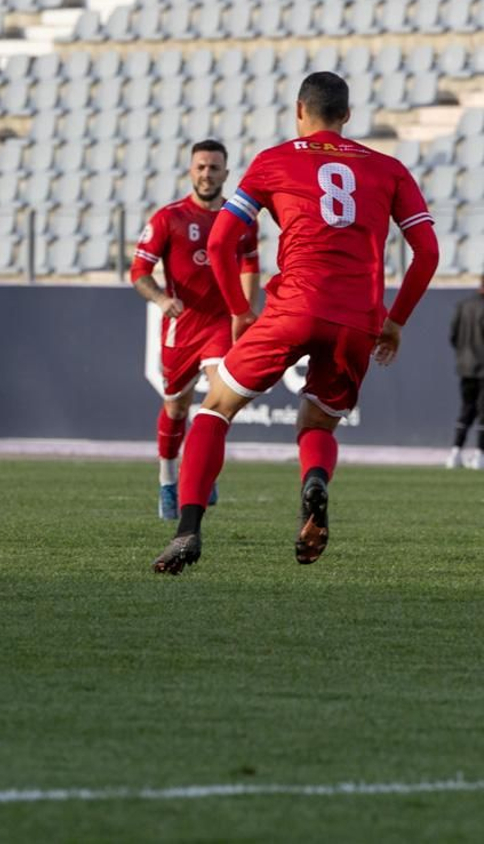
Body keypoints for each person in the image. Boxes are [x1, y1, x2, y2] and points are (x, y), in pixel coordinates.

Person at [152, 73, 438, 574]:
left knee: (214, 411)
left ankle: (188, 531)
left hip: (293, 308)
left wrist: (240, 311)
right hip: (357, 319)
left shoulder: (273, 160)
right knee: (318, 423)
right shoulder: (389, 169)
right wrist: (395, 321)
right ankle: (314, 483)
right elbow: (427, 253)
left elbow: (220, 243)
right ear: (347, 116)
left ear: (299, 110)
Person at [131, 140, 260, 520]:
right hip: (181, 327)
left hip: (221, 324)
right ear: (191, 171)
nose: (207, 174)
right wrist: (159, 299)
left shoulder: (240, 220)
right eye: (201, 167)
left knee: (221, 399)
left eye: (214, 168)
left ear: (226, 173)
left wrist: (246, 312)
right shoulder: (167, 218)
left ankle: (199, 470)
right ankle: (168, 480)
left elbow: (250, 264)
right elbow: (139, 272)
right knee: (176, 406)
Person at [446, 277, 484, 469]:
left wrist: (464, 356)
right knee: (482, 412)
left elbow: (453, 336)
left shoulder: (463, 306)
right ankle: (479, 455)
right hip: (482, 367)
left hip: (465, 367)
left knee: (466, 410)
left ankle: (455, 452)